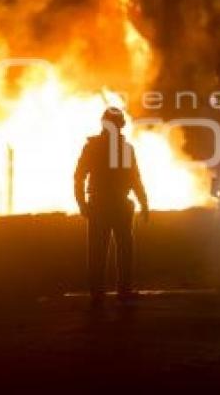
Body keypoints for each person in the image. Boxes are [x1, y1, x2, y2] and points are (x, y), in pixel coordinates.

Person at [74, 107, 149, 307]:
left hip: (108, 205)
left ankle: (106, 293)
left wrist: (143, 202)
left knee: (113, 250)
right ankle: (111, 292)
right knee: (112, 250)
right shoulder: (104, 147)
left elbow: (132, 177)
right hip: (107, 204)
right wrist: (143, 202)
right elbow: (80, 176)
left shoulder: (110, 148)